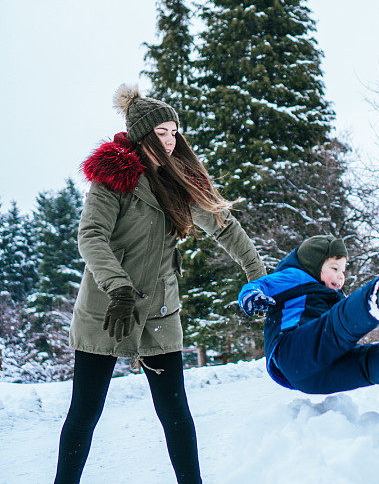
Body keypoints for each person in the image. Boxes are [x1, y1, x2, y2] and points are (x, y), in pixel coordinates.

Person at [55, 84, 266, 484]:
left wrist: (257, 275)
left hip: (159, 311)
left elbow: (225, 226)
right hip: (107, 308)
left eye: (174, 132)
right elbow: (91, 236)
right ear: (141, 134)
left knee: (175, 413)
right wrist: (117, 286)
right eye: (161, 132)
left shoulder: (179, 182)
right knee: (85, 413)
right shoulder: (113, 179)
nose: (170, 141)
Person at [238, 234, 379, 394]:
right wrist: (252, 297)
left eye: (343, 270)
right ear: (313, 266)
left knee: (368, 360)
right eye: (334, 268)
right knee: (336, 324)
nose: (341, 277)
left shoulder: (334, 296)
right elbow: (257, 286)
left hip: (314, 377)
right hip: (292, 352)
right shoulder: (295, 276)